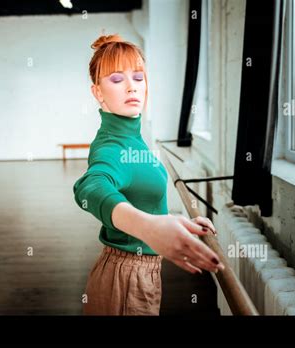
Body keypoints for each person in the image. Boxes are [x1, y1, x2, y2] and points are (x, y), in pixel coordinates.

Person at [73, 33, 224, 316]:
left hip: (138, 273)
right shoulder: (112, 146)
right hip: (125, 279)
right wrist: (149, 228)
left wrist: (175, 224)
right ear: (98, 92)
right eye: (117, 79)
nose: (131, 87)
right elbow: (90, 188)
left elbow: (140, 193)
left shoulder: (131, 134)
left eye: (138, 77)